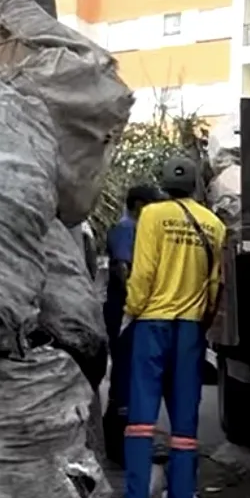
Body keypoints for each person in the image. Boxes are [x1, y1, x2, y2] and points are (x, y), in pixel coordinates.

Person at [119, 155, 225, 498]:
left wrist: (131, 310)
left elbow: (143, 271)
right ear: (198, 184)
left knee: (141, 419)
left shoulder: (153, 216)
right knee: (184, 427)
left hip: (152, 324)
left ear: (162, 184)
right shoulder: (213, 225)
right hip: (190, 329)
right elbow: (215, 284)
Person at [103, 184, 161, 457]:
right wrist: (137, 299)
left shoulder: (140, 229)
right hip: (125, 312)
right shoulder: (126, 229)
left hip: (134, 311)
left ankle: (129, 440)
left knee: (134, 374)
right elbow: (121, 268)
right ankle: (120, 443)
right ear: (139, 204)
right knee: (126, 374)